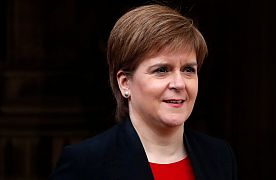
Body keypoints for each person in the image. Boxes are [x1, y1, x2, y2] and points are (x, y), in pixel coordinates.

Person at [49, 4, 237, 180]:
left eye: (188, 69)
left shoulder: (219, 156)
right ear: (125, 83)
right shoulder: (85, 163)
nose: (179, 83)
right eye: (162, 70)